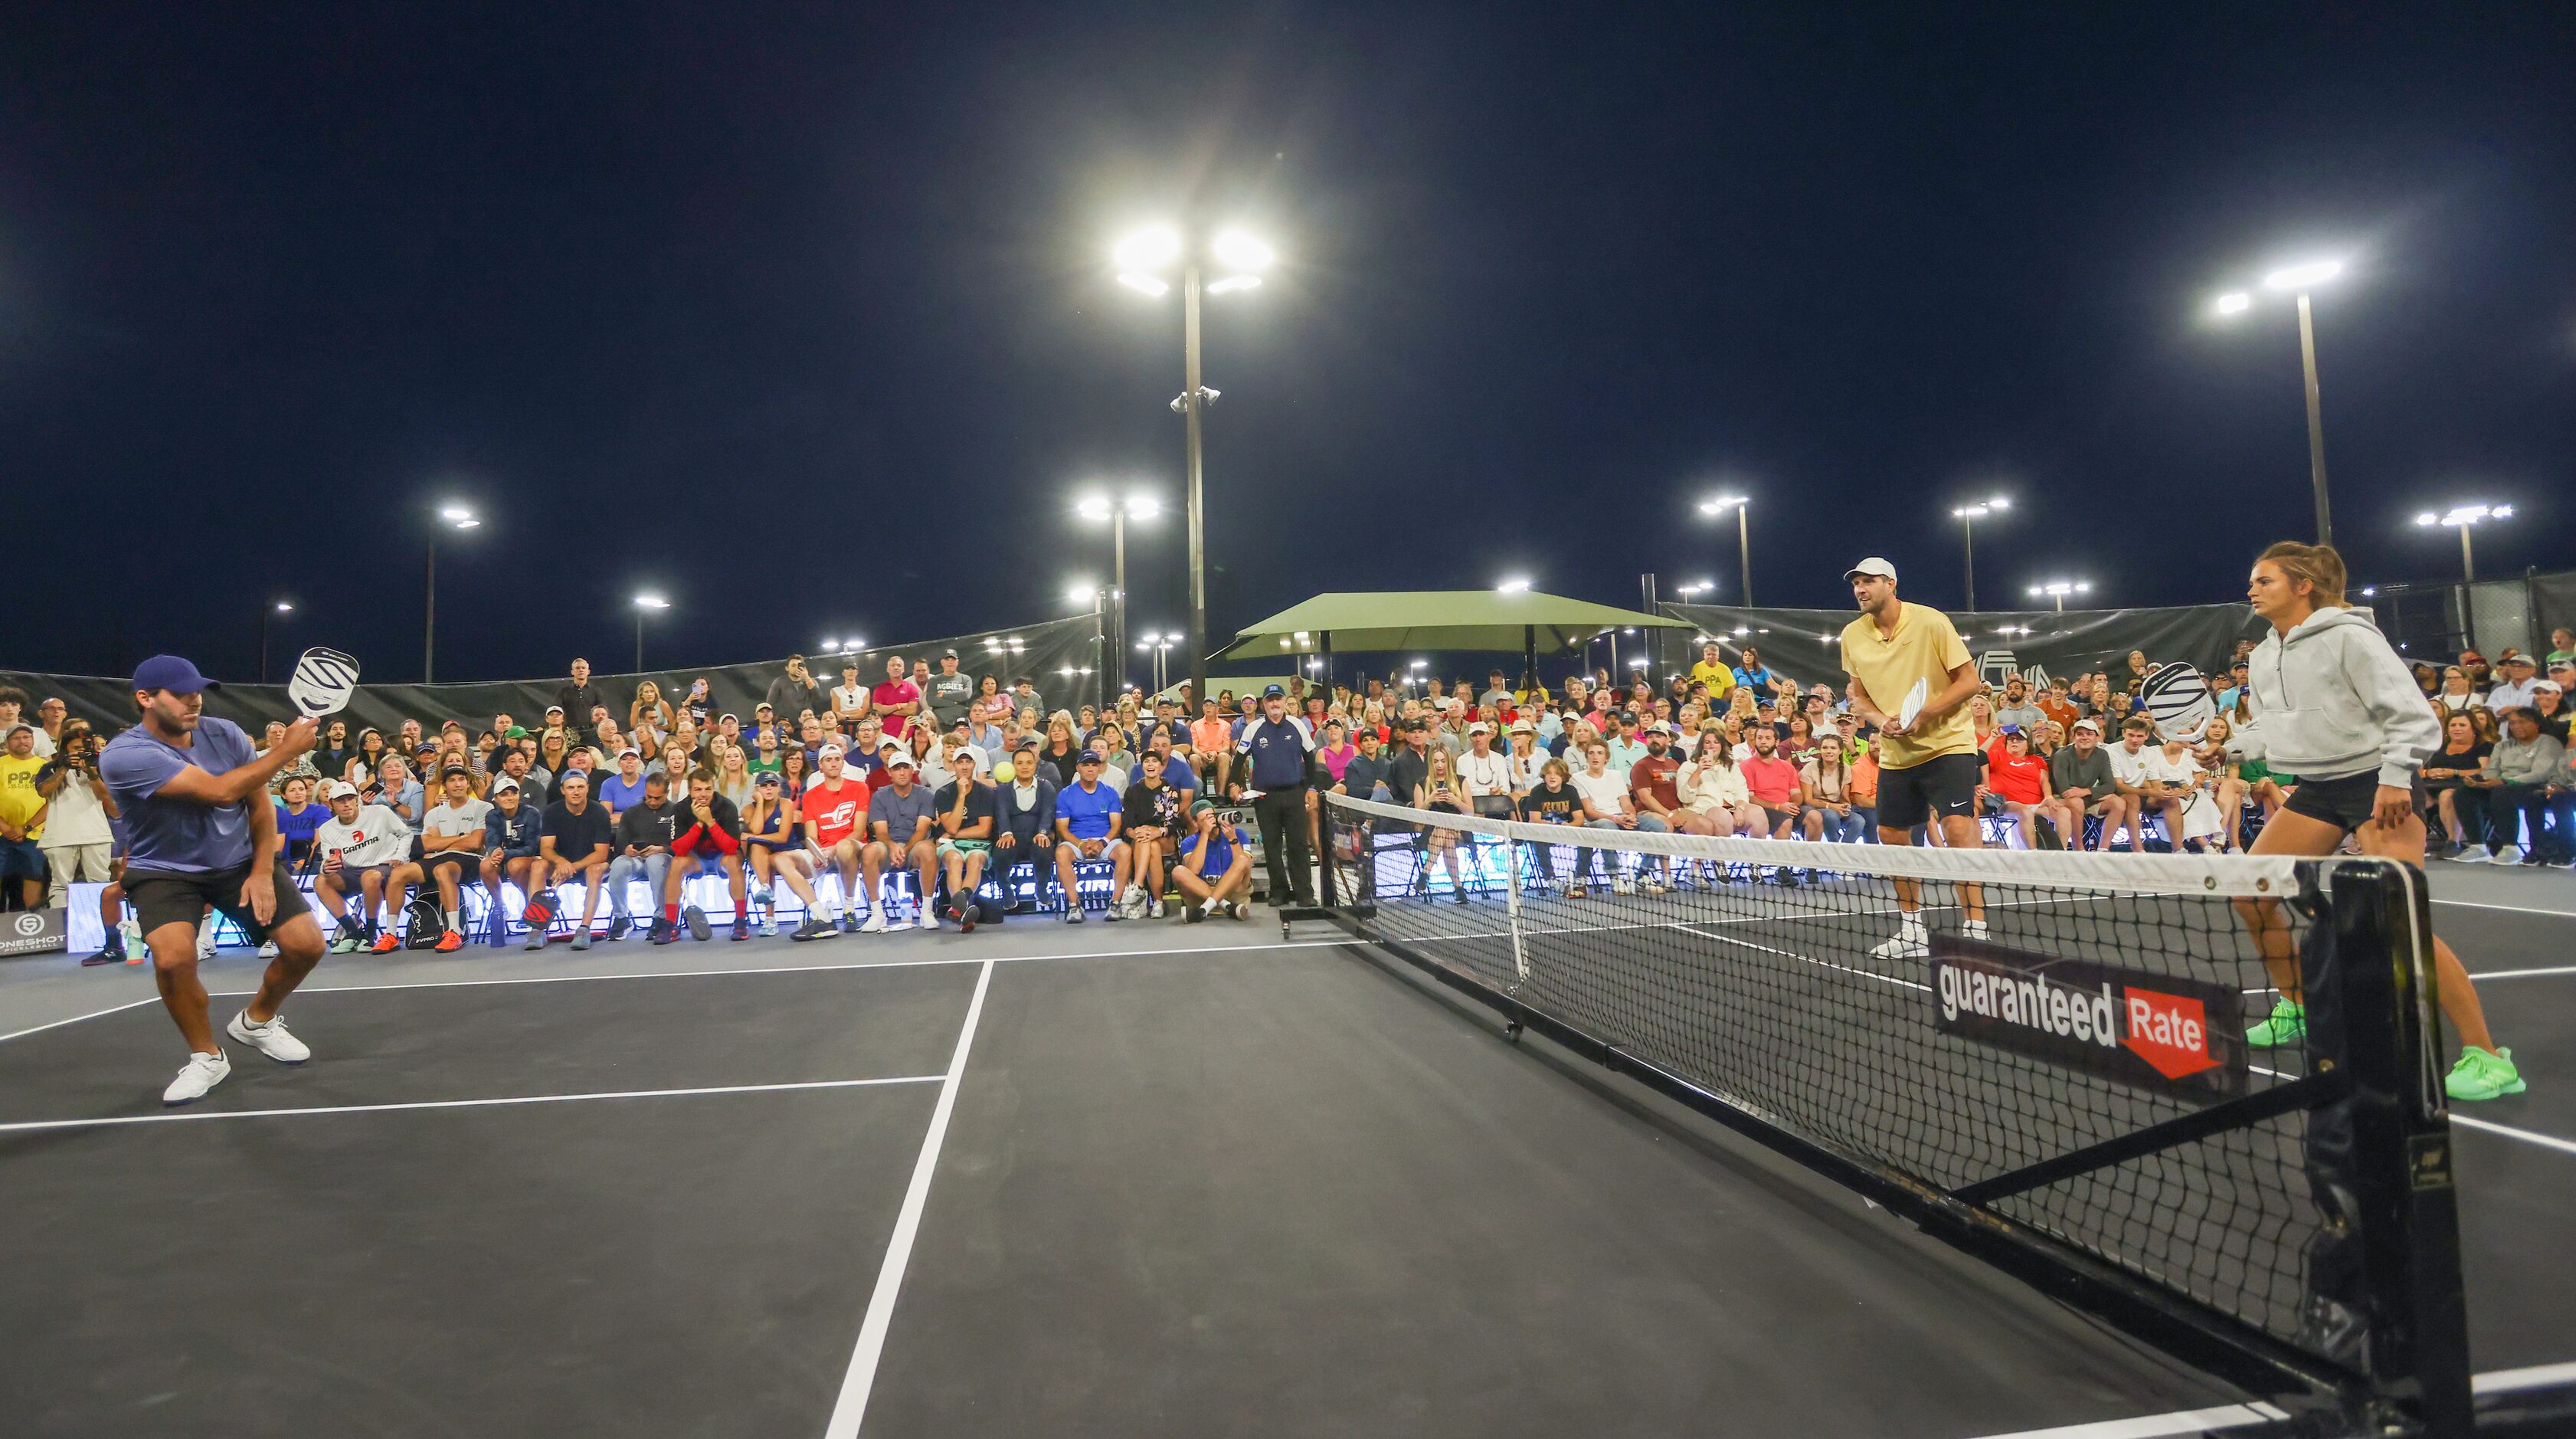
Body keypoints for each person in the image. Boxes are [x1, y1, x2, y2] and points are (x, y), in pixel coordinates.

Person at [2227, 541, 2521, 1100]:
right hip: (2316, 787)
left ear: (2302, 586)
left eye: (2264, 580)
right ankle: (2300, 1008)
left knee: (2397, 921)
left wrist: (2393, 776)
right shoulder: (2266, 653)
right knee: (2249, 893)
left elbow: (2412, 717)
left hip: (2376, 782)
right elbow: (2271, 726)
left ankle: (2487, 1055)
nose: (2252, 589)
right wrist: (2228, 747)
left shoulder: (2351, 637)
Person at [95, 657, 329, 1103]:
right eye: (181, 693)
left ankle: (256, 1021)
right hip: (163, 870)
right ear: (145, 699)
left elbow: (258, 805)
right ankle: (207, 1056)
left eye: (198, 690)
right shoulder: (125, 755)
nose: (194, 699)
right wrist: (286, 751)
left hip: (237, 861)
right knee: (171, 959)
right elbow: (220, 791)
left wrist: (262, 870)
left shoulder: (225, 733)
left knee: (307, 946)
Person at [1837, 557, 1988, 958]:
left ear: (1891, 583)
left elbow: (1970, 681)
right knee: (1892, 838)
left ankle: (1976, 927)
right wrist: (1878, 721)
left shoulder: (1931, 621)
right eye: (1856, 584)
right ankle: (1912, 930)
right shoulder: (1852, 635)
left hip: (1949, 743)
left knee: (1958, 829)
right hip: (1896, 752)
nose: (1860, 590)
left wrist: (1925, 715)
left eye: (1869, 582)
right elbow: (1860, 697)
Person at [309, 778, 421, 953]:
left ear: (357, 800)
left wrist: (400, 857)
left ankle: (371, 933)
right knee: (320, 881)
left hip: (383, 867)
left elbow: (406, 834)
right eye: (340, 800)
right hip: (352, 871)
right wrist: (326, 867)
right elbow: (328, 858)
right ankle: (354, 932)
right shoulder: (327, 828)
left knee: (369, 876)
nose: (347, 804)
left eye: (350, 799)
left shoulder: (380, 812)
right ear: (330, 805)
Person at [1236, 683, 1317, 909]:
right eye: (1270, 700)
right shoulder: (1253, 728)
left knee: (1298, 846)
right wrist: (1235, 784)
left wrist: (1311, 788)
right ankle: (1279, 891)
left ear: (1284, 702)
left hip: (1294, 794)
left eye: (1278, 699)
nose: (1274, 704)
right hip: (1265, 796)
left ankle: (1304, 894)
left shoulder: (1297, 725)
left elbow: (1311, 758)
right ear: (1264, 704)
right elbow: (1238, 759)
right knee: (1271, 846)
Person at [33, 722, 119, 921]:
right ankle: (61, 929)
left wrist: (92, 774)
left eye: (84, 748)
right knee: (60, 884)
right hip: (60, 834)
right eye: (76, 749)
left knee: (100, 881)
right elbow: (44, 792)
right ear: (65, 749)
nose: (81, 753)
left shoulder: (99, 766)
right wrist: (63, 769)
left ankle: (103, 927)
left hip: (95, 832)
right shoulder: (50, 767)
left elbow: (105, 797)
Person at [2460, 707, 2566, 865]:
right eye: (2512, 723)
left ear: (2536, 724)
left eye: (2522, 722)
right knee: (2463, 793)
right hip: (2502, 786)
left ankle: (2510, 848)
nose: (2516, 726)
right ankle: (2478, 846)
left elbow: (2540, 774)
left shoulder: (2548, 742)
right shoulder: (2503, 745)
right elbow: (2491, 771)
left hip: (2535, 786)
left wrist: (2505, 782)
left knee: (2502, 792)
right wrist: (2479, 782)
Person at [655, 769, 749, 943]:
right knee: (676, 863)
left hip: (722, 857)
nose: (703, 794)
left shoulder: (726, 806)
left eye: (708, 789)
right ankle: (670, 923)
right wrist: (699, 823)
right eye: (698, 790)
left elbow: (731, 847)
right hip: (696, 859)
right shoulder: (680, 809)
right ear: (690, 791)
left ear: (714, 789)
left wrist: (710, 821)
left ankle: (741, 921)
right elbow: (679, 849)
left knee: (734, 861)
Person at [739, 770, 834, 939]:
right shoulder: (748, 809)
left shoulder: (785, 805)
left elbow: (781, 837)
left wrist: (754, 837)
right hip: (767, 859)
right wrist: (760, 803)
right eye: (764, 786)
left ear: (779, 789)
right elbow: (756, 829)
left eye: (773, 785)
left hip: (792, 853)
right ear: (757, 789)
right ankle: (767, 904)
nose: (768, 789)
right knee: (757, 848)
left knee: (769, 853)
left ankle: (821, 918)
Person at [525, 769, 613, 951]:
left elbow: (601, 853)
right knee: (538, 866)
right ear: (563, 790)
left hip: (589, 863)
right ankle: (537, 928)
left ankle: (584, 929)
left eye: (580, 787)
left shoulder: (599, 812)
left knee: (595, 870)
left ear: (587, 788)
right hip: (561, 864)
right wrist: (561, 862)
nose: (576, 791)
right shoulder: (551, 811)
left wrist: (571, 866)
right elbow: (546, 848)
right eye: (571, 788)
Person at [415, 765, 492, 952]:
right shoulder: (434, 813)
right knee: (399, 874)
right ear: (444, 786)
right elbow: (428, 845)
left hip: (470, 859)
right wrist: (461, 837)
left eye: (461, 779)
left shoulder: (484, 807)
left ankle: (454, 931)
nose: (458, 784)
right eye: (452, 780)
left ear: (468, 783)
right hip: (439, 858)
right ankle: (390, 934)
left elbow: (474, 843)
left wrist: (440, 843)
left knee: (442, 869)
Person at [861, 750, 940, 931]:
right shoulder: (880, 796)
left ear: (912, 770)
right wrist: (893, 846)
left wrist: (905, 849)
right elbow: (880, 832)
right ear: (889, 772)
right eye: (897, 769)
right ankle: (877, 913)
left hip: (915, 847)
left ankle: (926, 912)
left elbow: (922, 830)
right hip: (888, 846)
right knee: (869, 851)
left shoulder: (926, 794)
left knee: (928, 849)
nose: (902, 772)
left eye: (905, 768)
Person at [800, 743, 873, 930]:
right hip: (823, 850)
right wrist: (818, 853)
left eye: (837, 759)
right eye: (828, 760)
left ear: (843, 763)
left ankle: (849, 908)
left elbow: (858, 830)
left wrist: (833, 850)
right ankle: (820, 914)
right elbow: (810, 835)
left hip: (854, 846)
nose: (833, 764)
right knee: (782, 860)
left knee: (844, 847)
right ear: (821, 766)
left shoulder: (860, 788)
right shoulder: (809, 797)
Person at [1051, 750, 1130, 924]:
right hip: (1076, 841)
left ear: (1099, 769)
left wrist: (1102, 843)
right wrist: (1080, 844)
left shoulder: (1110, 793)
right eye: (1086, 765)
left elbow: (1116, 825)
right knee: (1061, 853)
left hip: (1105, 840)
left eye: (1094, 765)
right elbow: (1062, 829)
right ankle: (1074, 905)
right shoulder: (1066, 794)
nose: (1090, 769)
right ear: (1078, 768)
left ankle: (1116, 903)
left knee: (1125, 850)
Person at [604, 771, 679, 939]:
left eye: (657, 798)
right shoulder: (632, 813)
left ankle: (661, 917)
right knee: (618, 865)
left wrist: (663, 849)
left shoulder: (677, 811)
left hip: (664, 858)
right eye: (649, 796)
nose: (652, 801)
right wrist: (626, 849)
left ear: (666, 794)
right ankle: (622, 918)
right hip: (636, 860)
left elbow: (681, 845)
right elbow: (620, 844)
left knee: (655, 861)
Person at [477, 776, 545, 947]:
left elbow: (531, 847)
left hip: (532, 859)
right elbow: (492, 842)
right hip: (506, 857)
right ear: (496, 799)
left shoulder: (531, 813)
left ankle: (529, 906)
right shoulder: (492, 815)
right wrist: (494, 852)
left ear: (519, 795)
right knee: (485, 864)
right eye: (504, 794)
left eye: (513, 793)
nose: (509, 797)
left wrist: (504, 853)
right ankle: (500, 906)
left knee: (515, 866)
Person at [993, 739, 1058, 913]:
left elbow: (1048, 812)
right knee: (1000, 853)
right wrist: (1005, 833)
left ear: (1035, 765)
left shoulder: (1046, 787)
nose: (1025, 767)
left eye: (1029, 763)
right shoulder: (1002, 790)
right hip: (1012, 837)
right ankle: (1007, 892)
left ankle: (1042, 889)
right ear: (1013, 766)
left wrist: (1043, 832)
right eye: (1019, 763)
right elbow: (1001, 813)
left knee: (1044, 850)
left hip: (1037, 836)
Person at [1120, 750, 1187, 918]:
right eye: (1147, 762)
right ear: (1142, 767)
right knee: (1151, 846)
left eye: (1155, 762)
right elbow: (1127, 823)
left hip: (1165, 836)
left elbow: (1174, 822)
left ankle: (1137, 886)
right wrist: (1135, 833)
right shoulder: (1132, 791)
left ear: (1161, 767)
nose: (1151, 765)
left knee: (1151, 840)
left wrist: (1158, 831)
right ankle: (1158, 902)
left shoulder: (1171, 790)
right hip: (1141, 837)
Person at [2046, 718, 2128, 852]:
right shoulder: (2062, 755)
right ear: (2073, 737)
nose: (2084, 737)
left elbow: (2110, 786)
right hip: (2061, 798)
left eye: (2089, 734)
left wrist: (2086, 791)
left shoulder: (2102, 754)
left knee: (2119, 803)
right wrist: (2093, 793)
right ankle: (2079, 848)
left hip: (2085, 796)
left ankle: (2103, 849)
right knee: (2077, 803)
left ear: (2097, 737)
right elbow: (2064, 790)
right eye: (2080, 734)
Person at [1170, 799, 1254, 921]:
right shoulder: (1189, 842)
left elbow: (1245, 865)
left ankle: (1204, 910)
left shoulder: (1239, 834)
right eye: (1205, 819)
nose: (1211, 821)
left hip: (1233, 890)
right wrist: (1204, 834)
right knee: (1178, 871)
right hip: (1202, 892)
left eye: (1212, 816)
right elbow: (1194, 869)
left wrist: (1233, 840)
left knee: (1242, 859)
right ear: (1195, 823)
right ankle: (1227, 907)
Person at [1983, 727, 2055, 849]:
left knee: (2063, 812)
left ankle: (2061, 853)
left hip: (2036, 804)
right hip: (2007, 804)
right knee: (2024, 812)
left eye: (2019, 739)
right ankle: (2033, 853)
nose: (2014, 742)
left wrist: (2049, 798)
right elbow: (1978, 757)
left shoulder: (2037, 760)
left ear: (2028, 745)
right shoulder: (1997, 755)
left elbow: (2044, 781)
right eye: (2011, 739)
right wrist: (1992, 737)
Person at [1799, 733, 1869, 844]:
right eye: (1825, 748)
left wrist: (1845, 807)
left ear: (1840, 751)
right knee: (1830, 816)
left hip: (1836, 806)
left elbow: (1844, 797)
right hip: (1815, 807)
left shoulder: (1846, 769)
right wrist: (1831, 807)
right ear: (1820, 750)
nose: (1829, 751)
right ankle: (1833, 846)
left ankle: (1844, 851)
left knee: (1858, 821)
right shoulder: (1810, 768)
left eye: (1833, 748)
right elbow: (1808, 800)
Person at [766, 655, 828, 733]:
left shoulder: (811, 681)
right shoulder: (779, 682)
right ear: (787, 668)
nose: (796, 668)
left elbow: (818, 698)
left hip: (808, 724)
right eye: (793, 665)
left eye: (799, 665)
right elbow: (770, 703)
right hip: (787, 725)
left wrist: (807, 678)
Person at [555, 657, 607, 748]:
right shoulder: (564, 691)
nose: (581, 670)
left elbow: (602, 710)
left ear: (588, 671)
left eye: (583, 668)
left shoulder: (596, 691)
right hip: (570, 732)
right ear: (572, 672)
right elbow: (556, 710)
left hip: (592, 732)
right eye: (578, 668)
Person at [871, 654, 922, 744]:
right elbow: (877, 710)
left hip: (908, 735)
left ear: (903, 669)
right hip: (885, 735)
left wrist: (887, 711)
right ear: (888, 669)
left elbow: (912, 711)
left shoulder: (911, 688)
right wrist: (899, 706)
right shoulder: (880, 689)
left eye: (899, 666)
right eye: (893, 665)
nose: (896, 668)